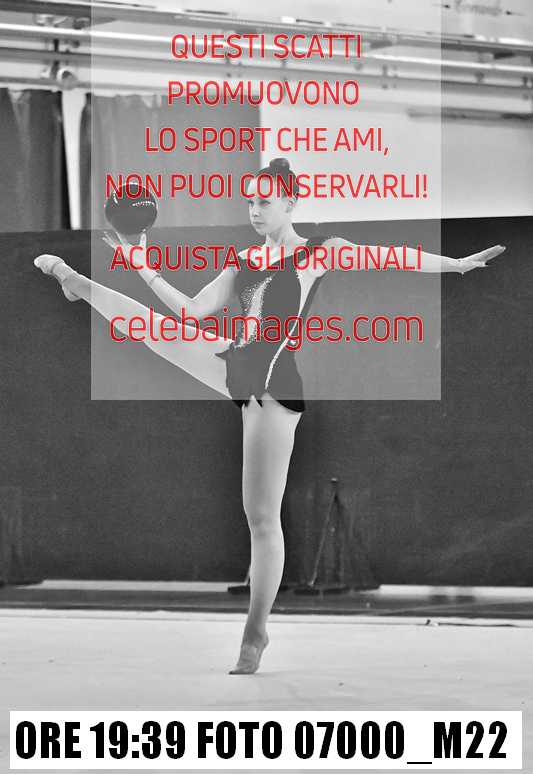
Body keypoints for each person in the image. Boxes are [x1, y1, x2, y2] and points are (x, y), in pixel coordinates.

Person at [34, 157, 506, 674]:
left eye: (264, 201)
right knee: (156, 329)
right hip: (230, 361)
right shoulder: (243, 259)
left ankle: (255, 632)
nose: (255, 210)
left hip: (272, 388)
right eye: (250, 202)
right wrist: (141, 263)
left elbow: (389, 257)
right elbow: (191, 311)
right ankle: (77, 283)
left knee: (261, 517)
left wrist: (455, 264)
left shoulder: (318, 252)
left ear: (290, 202)